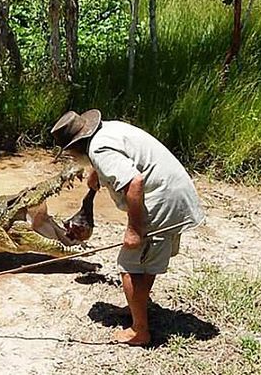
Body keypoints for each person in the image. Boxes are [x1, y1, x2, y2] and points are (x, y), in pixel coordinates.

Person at [51, 109, 205, 346]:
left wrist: (134, 229)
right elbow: (125, 159)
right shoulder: (107, 130)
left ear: (76, 146)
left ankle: (139, 331)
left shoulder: (98, 149)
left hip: (162, 199)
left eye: (69, 152)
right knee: (145, 261)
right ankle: (138, 307)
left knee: (129, 266)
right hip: (174, 191)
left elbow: (135, 182)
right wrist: (96, 175)